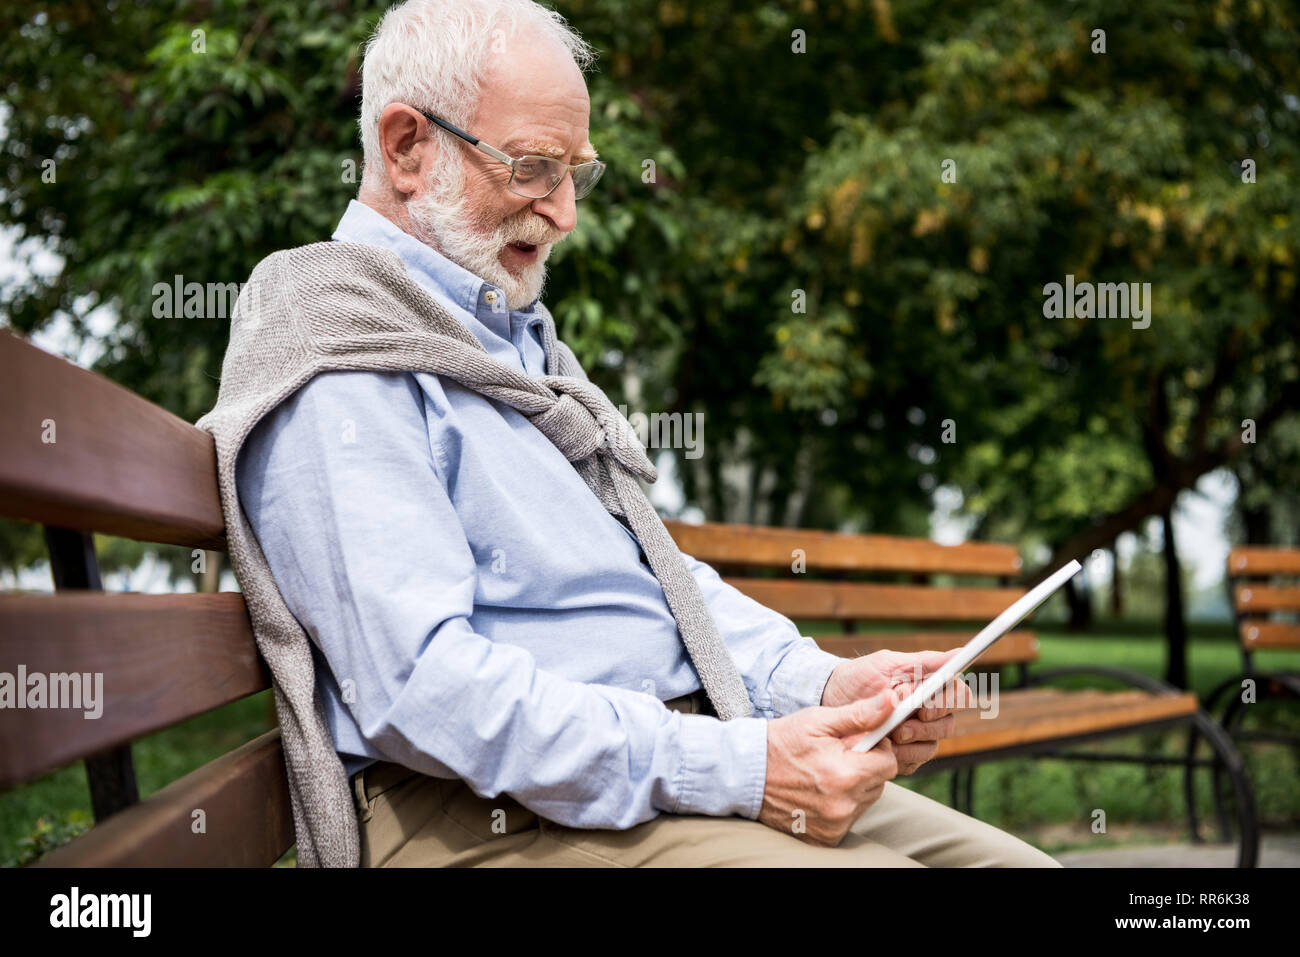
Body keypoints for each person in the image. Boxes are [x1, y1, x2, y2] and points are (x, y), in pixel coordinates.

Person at [230, 0, 1060, 867]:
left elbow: (654, 585)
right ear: (407, 148)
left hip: (665, 760)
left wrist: (820, 681)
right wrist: (744, 765)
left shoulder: (511, 349)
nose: (563, 215)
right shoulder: (338, 349)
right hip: (480, 807)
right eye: (532, 168)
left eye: (574, 175)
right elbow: (424, 691)